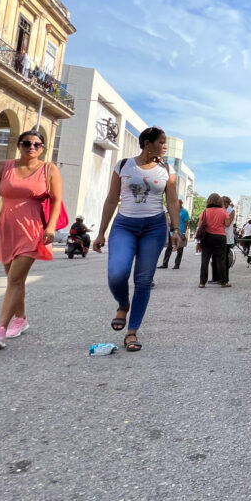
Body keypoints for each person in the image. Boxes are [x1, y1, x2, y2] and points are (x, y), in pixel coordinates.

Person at [92, 127, 181, 352]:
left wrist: (175, 230)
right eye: (161, 142)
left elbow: (172, 202)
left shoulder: (167, 170)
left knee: (143, 280)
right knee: (116, 274)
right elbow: (112, 199)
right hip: (124, 225)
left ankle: (132, 331)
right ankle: (123, 304)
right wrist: (101, 232)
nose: (165, 146)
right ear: (147, 143)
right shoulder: (123, 165)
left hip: (154, 226)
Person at [0, 129, 61, 349]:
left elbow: (56, 199)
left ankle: (0, 330)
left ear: (43, 148)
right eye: (26, 143)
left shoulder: (48, 169)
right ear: (19, 145)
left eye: (37, 144)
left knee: (15, 278)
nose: (31, 147)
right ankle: (21, 318)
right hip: (6, 228)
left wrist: (51, 227)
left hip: (33, 229)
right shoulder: (2, 167)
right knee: (14, 279)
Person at [197, 193, 235, 287]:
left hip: (207, 237)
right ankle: (223, 282)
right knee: (221, 260)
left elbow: (199, 225)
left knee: (205, 260)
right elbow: (227, 224)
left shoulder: (205, 211)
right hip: (220, 237)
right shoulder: (223, 211)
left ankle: (202, 282)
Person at [159, 200, 190, 269]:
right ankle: (165, 264)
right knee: (169, 248)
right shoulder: (174, 211)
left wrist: (184, 233)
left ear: (181, 204)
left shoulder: (184, 212)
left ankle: (177, 264)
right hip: (172, 232)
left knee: (180, 249)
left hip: (181, 232)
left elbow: (186, 223)